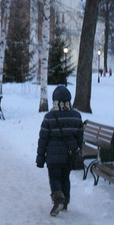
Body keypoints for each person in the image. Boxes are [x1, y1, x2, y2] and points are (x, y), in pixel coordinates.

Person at [36, 85, 84, 216]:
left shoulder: (49, 117)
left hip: (53, 157)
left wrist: (40, 158)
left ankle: (58, 200)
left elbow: (43, 140)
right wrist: (77, 151)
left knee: (54, 178)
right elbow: (80, 138)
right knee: (65, 178)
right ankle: (66, 201)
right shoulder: (76, 116)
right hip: (69, 155)